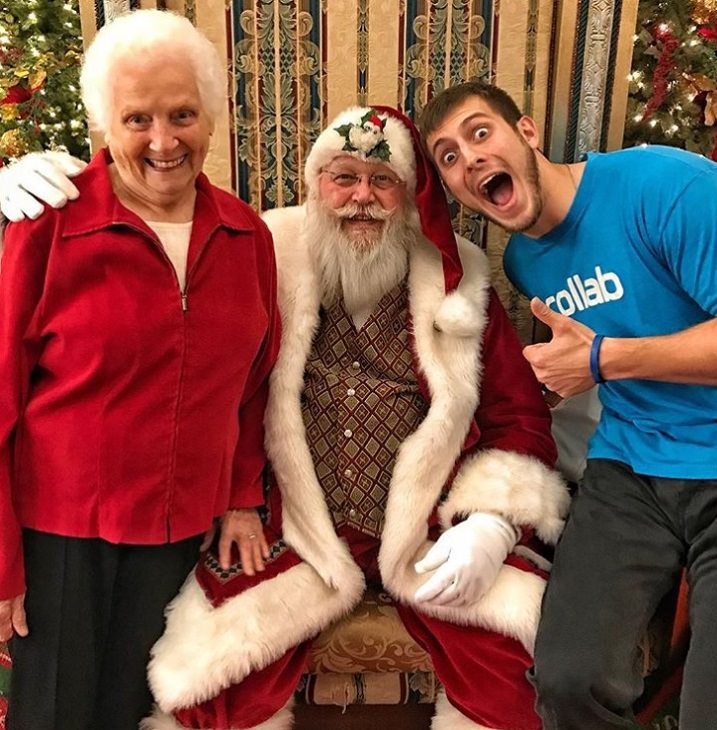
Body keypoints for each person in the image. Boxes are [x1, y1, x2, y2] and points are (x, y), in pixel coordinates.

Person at [0, 107, 570, 728]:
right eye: (342, 177)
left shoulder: (462, 278)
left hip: (432, 530)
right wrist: (63, 185)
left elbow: (518, 414)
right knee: (211, 692)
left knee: (519, 685)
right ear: (313, 184)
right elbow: (162, 262)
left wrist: (489, 523)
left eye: (383, 180)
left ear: (410, 196)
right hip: (293, 527)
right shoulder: (256, 248)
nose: (362, 198)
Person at [419, 80, 717, 730]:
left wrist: (603, 360)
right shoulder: (526, 262)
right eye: (448, 156)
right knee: (567, 680)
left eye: (480, 134)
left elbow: (603, 354)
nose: (469, 159)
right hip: (630, 471)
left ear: (527, 133)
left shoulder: (667, 188)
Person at [0, 9, 279, 730]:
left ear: (210, 117)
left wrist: (243, 495)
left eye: (182, 114)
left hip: (183, 528)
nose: (163, 141)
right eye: (137, 118)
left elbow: (253, 384)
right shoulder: (48, 225)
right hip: (62, 536)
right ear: (104, 125)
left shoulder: (248, 235)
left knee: (144, 712)